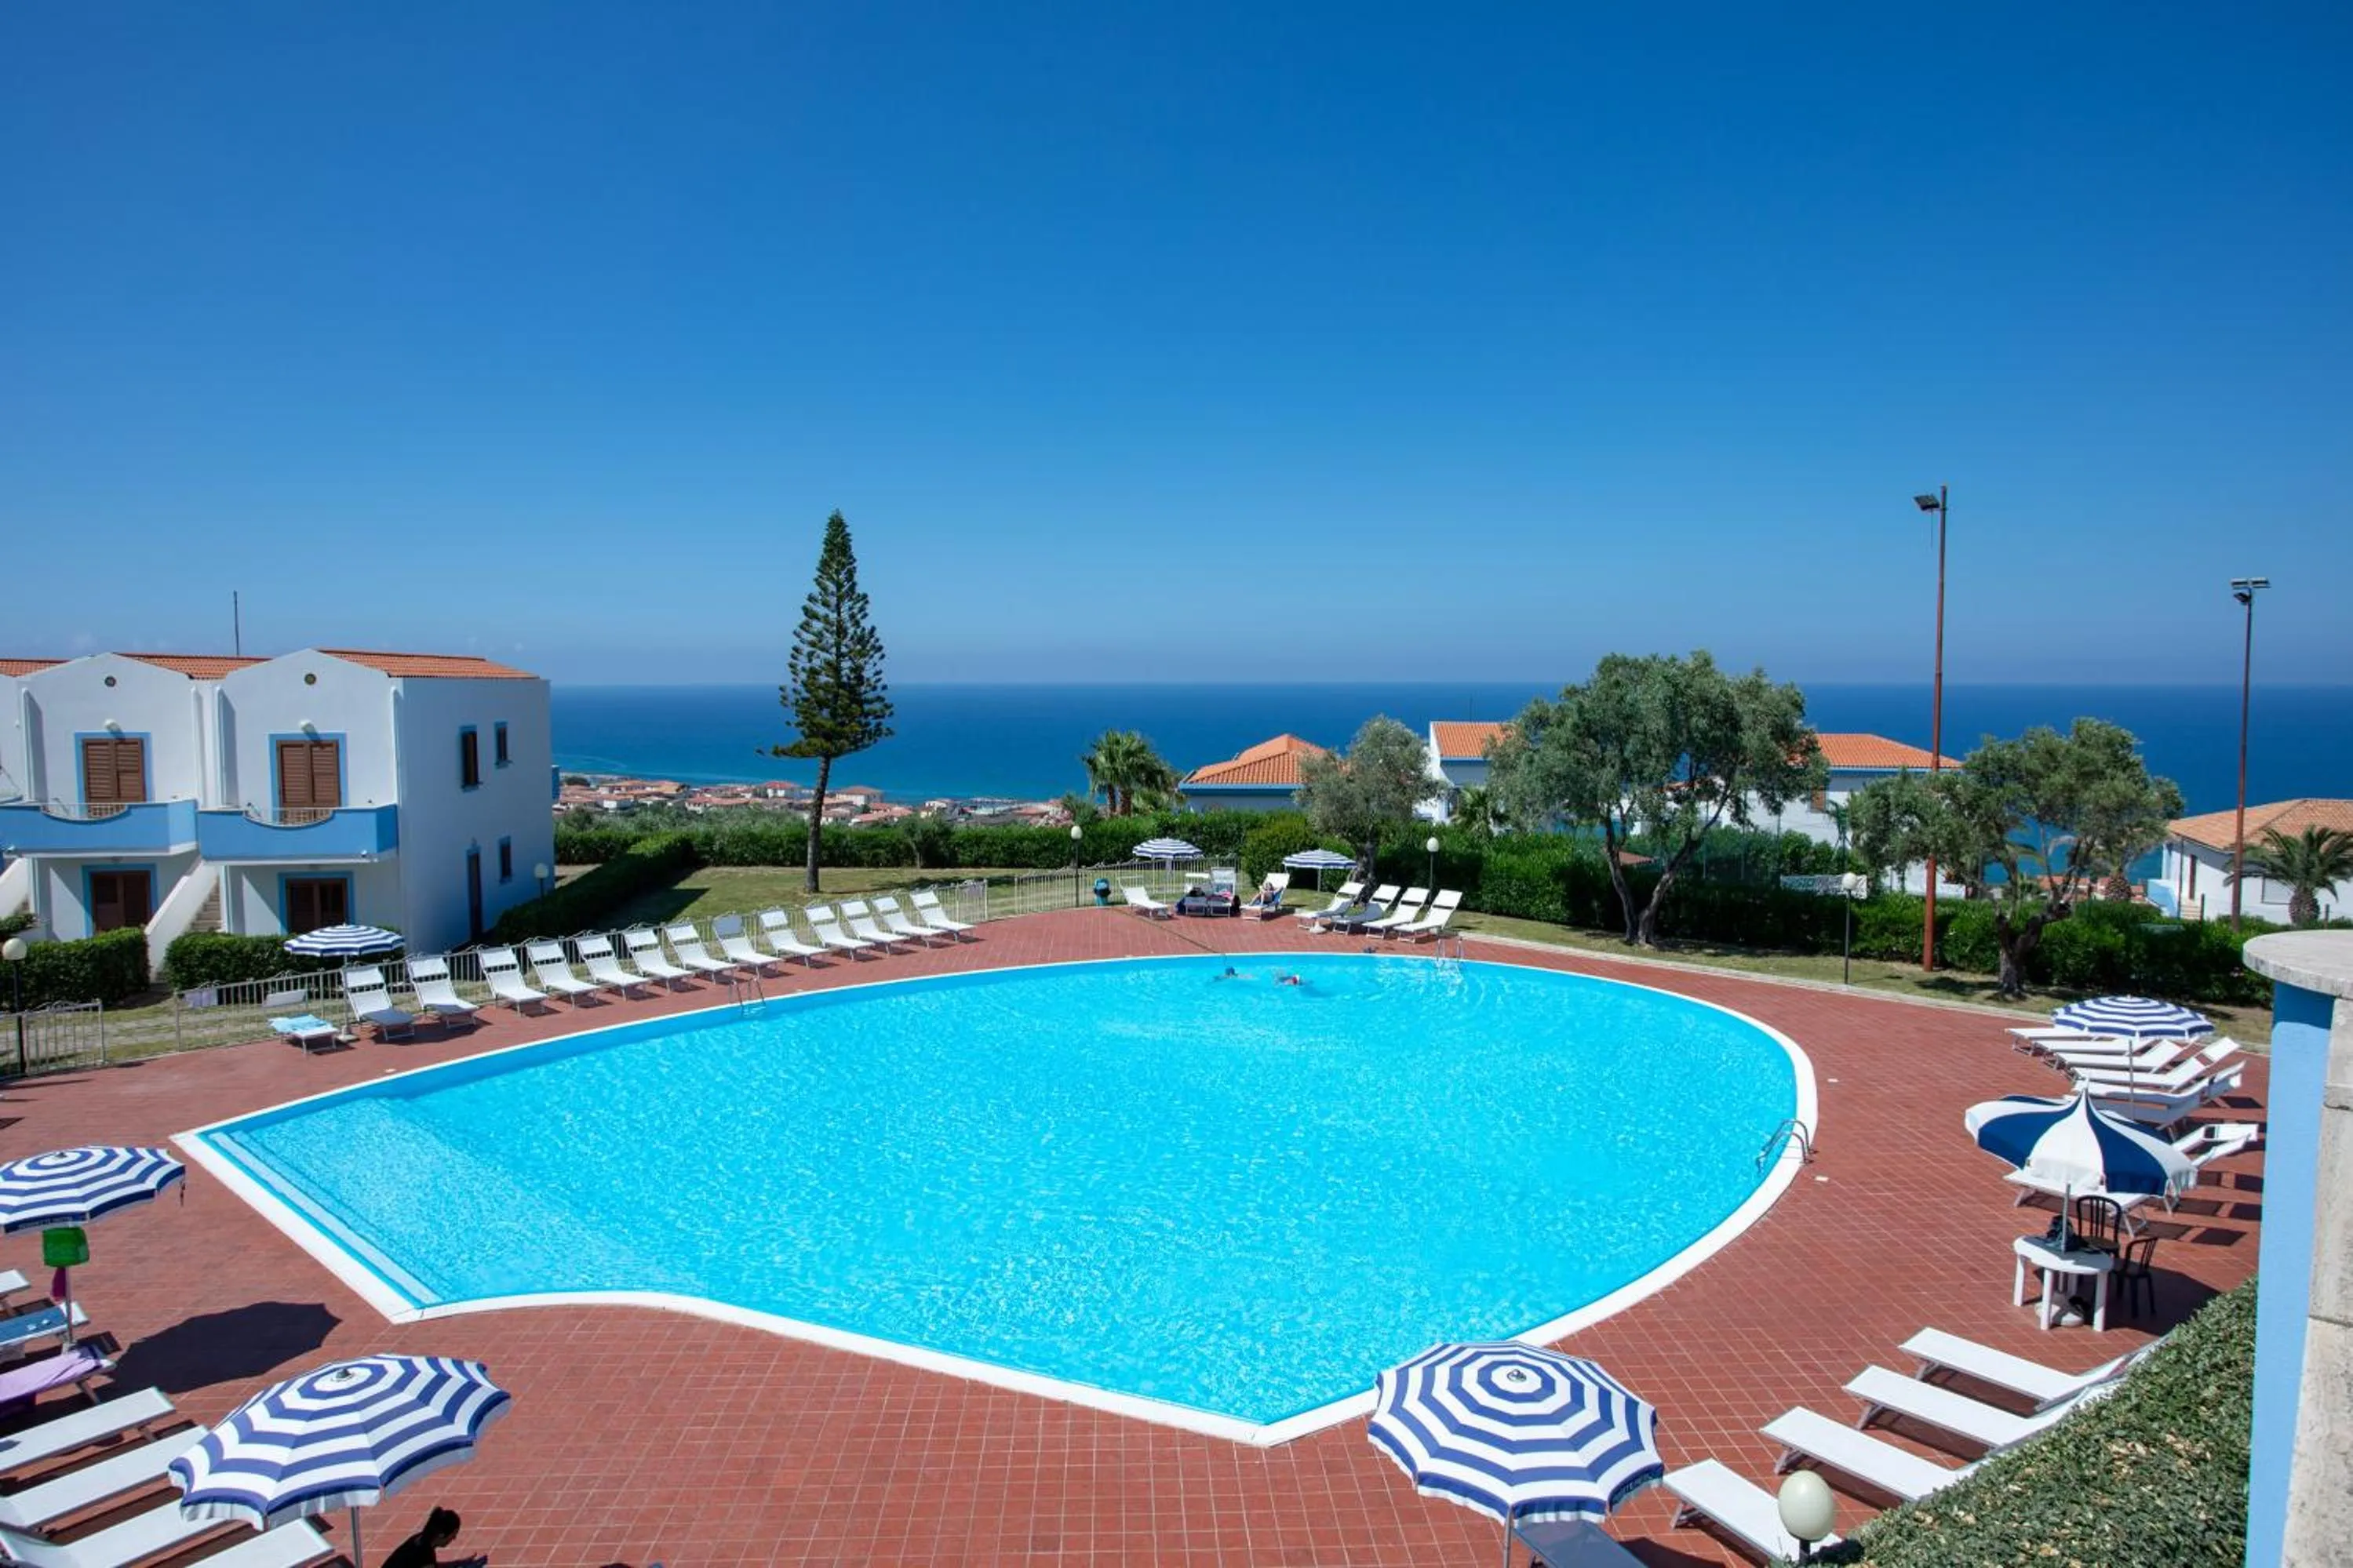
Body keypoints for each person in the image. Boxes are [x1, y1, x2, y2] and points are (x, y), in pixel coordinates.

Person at [384, 1507, 486, 1568]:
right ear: (441, 1535)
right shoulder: (424, 1553)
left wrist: (458, 1563)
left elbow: (432, 1566)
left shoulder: (420, 1539)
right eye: (453, 1535)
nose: (454, 1539)